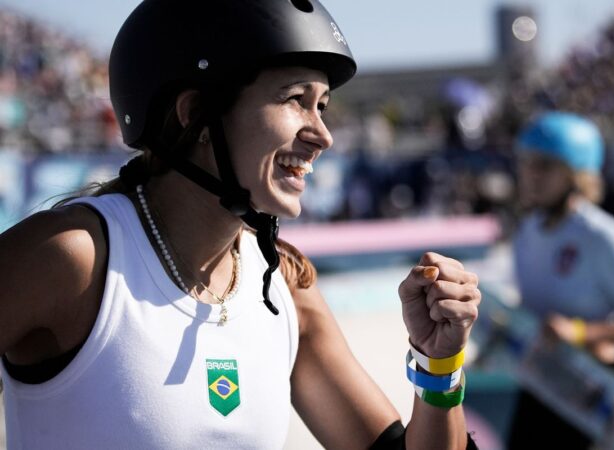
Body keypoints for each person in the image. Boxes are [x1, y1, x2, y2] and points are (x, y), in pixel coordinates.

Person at [0, 1, 481, 448]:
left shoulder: (286, 288)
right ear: (197, 116)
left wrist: (437, 363)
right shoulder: (73, 257)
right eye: (295, 99)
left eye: (323, 106)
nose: (323, 135)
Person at [506, 112, 614, 448]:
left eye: (545, 165)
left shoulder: (602, 236)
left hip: (593, 394)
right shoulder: (526, 233)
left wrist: (579, 332)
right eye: (526, 162)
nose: (531, 174)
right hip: (540, 387)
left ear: (576, 176)